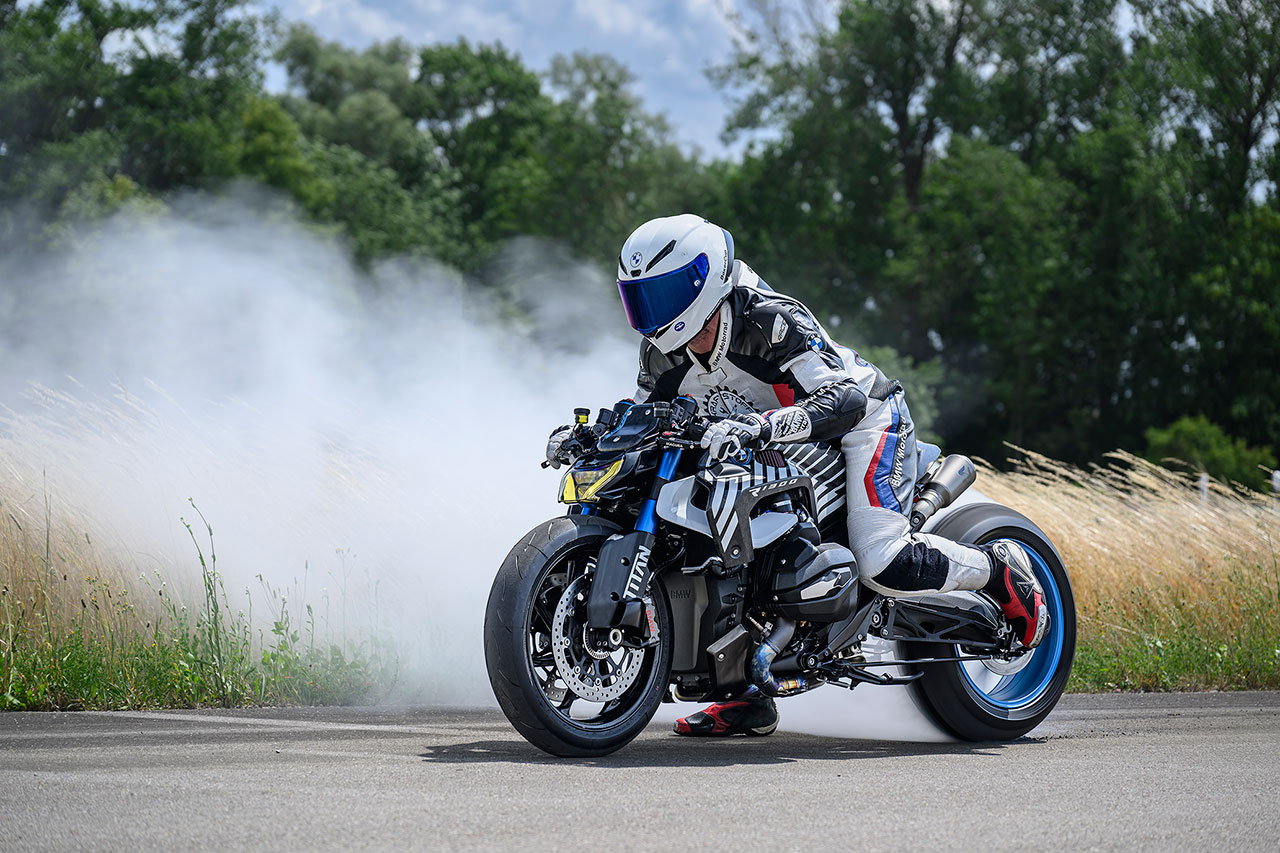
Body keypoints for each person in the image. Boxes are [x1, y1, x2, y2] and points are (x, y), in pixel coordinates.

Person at [549, 214, 1047, 737]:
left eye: (664, 292)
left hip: (860, 425)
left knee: (881, 558)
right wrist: (597, 435)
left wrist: (762, 427)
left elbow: (846, 398)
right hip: (758, 441)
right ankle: (744, 692)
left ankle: (999, 573)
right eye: (641, 297)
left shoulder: (768, 319)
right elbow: (649, 410)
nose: (653, 311)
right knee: (701, 530)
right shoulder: (661, 350)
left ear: (704, 278)